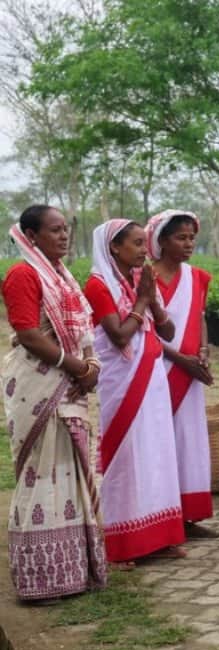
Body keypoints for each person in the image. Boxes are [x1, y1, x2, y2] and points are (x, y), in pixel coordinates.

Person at [4, 206, 107, 600]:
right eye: (54, 230)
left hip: (70, 383)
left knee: (70, 471)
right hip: (39, 385)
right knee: (41, 472)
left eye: (66, 229)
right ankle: (42, 578)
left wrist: (90, 367)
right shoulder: (23, 274)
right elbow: (30, 335)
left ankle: (74, 570)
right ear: (31, 236)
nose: (64, 236)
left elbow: (83, 331)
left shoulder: (63, 277)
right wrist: (78, 367)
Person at [85, 218, 187, 565]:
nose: (145, 250)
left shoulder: (140, 280)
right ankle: (128, 542)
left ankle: (162, 535)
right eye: (137, 243)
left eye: (145, 243)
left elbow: (168, 332)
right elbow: (119, 335)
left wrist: (152, 300)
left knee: (157, 453)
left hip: (152, 378)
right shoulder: (98, 285)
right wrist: (143, 299)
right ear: (114, 247)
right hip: (123, 382)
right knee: (129, 457)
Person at [146, 209, 218, 539]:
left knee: (190, 441)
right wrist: (179, 359)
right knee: (160, 441)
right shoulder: (145, 278)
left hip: (190, 375)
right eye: (180, 237)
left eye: (191, 238)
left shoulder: (197, 277)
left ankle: (189, 515)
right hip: (157, 371)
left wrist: (202, 352)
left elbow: (199, 317)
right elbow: (146, 330)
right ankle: (162, 515)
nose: (188, 244)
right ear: (162, 241)